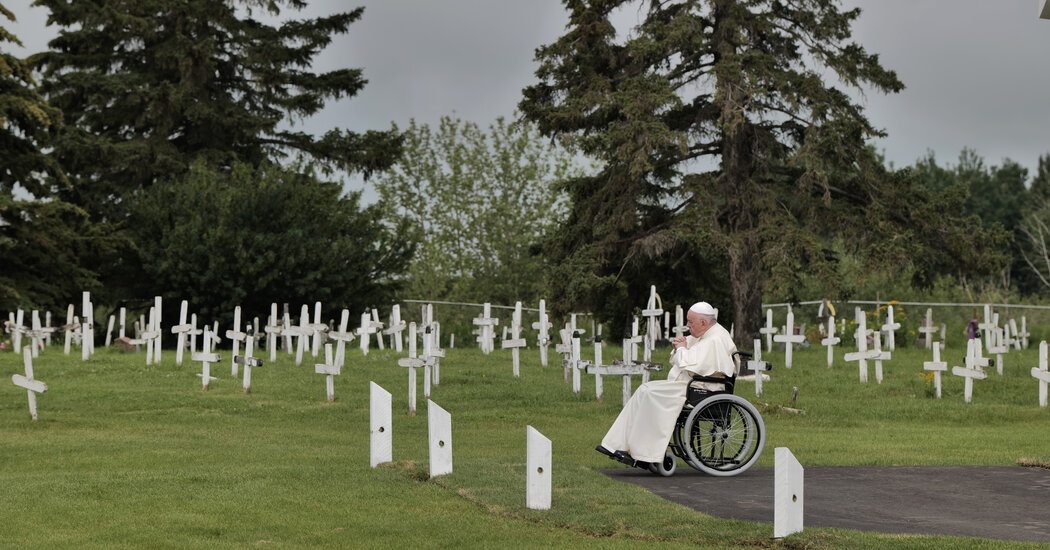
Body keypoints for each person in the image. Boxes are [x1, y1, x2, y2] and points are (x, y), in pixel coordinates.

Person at [596, 301, 738, 465]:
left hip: (703, 389)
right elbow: (691, 351)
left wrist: (682, 349)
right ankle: (616, 444)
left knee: (650, 392)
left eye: (690, 322)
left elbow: (690, 363)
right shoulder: (709, 334)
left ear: (703, 323)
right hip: (694, 385)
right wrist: (680, 345)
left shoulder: (716, 339)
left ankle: (645, 454)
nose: (687, 325)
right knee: (645, 389)